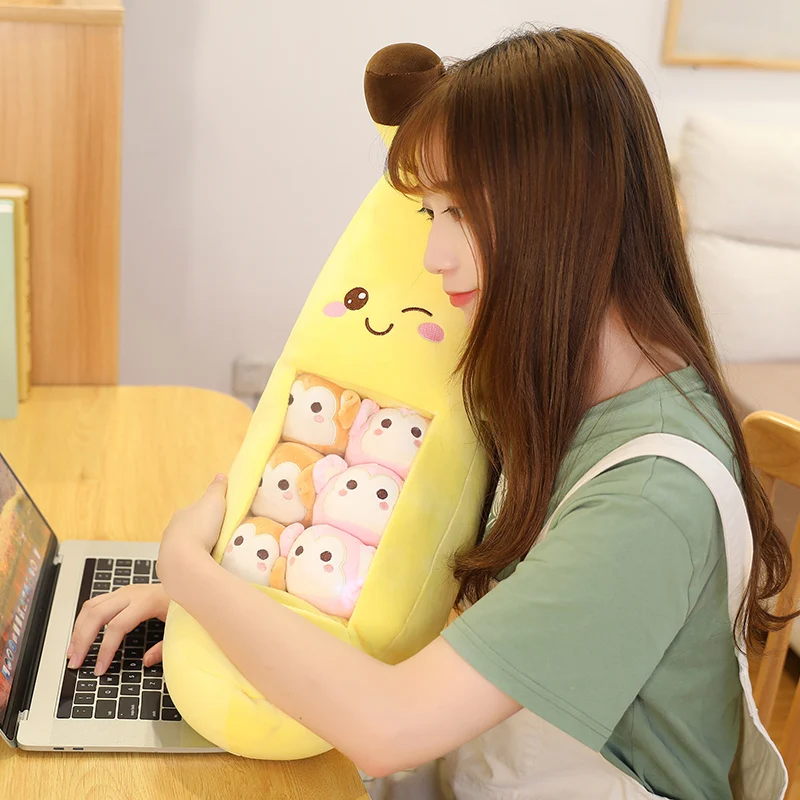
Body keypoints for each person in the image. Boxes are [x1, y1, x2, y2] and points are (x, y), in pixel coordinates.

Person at [66, 27, 794, 799]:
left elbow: (389, 728)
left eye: (460, 210)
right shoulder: (556, 387)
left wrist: (187, 568)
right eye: (430, 213)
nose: (434, 255)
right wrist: (233, 605)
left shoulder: (650, 496)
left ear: (565, 212)